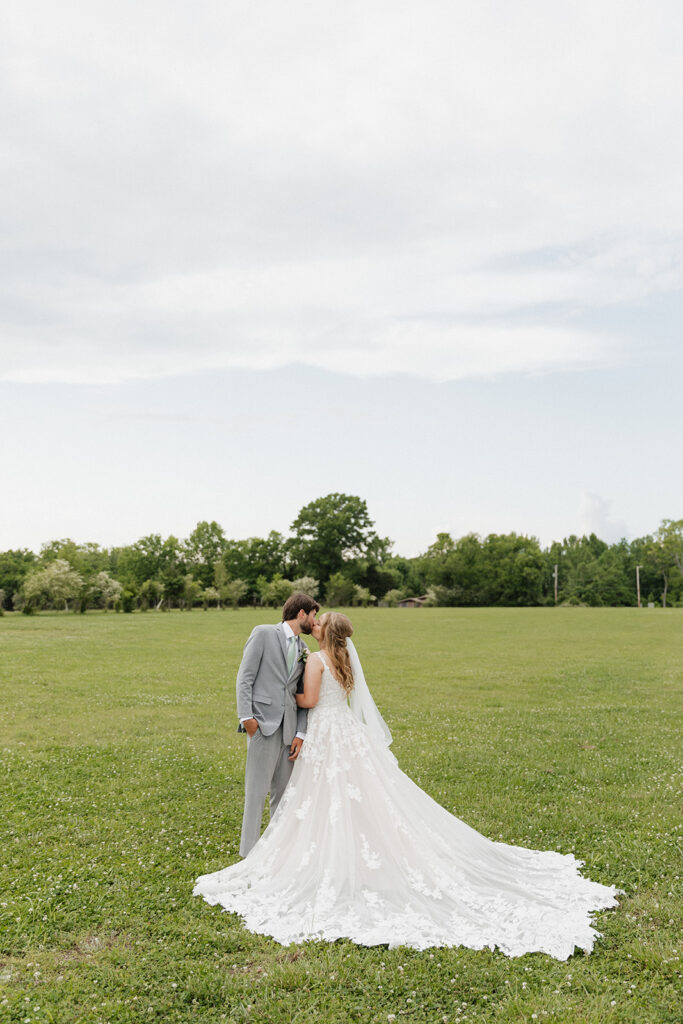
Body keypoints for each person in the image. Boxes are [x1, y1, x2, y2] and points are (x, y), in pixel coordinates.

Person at [195, 612, 621, 958]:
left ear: (324, 632)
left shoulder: (318, 660)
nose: (315, 624)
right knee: (360, 795)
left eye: (319, 622)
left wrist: (289, 694)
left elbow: (307, 701)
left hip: (326, 734)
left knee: (322, 795)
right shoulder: (344, 662)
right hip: (345, 732)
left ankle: (320, 857)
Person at [234, 592, 320, 857]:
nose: (314, 622)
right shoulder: (262, 634)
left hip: (289, 732)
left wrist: (301, 733)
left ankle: (275, 853)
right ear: (301, 613)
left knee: (282, 795)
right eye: (313, 616)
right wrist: (247, 718)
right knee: (256, 793)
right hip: (261, 725)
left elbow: (303, 696)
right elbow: (244, 678)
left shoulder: (305, 651)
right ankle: (248, 853)